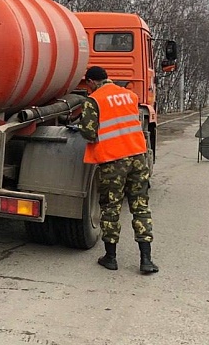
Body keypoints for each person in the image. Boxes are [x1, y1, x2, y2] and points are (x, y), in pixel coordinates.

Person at [78, 66, 158, 274]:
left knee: (111, 208)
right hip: (138, 157)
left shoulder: (94, 100)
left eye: (88, 85)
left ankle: (111, 258)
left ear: (92, 82)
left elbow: (88, 132)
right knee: (140, 207)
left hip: (114, 160)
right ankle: (146, 260)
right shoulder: (129, 96)